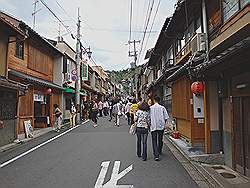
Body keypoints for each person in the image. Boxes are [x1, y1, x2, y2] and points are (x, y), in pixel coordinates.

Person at [149, 96, 169, 161]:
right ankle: (159, 151)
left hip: (153, 126)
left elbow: (149, 118)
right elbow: (166, 117)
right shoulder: (162, 108)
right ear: (159, 100)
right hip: (161, 126)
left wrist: (149, 124)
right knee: (160, 139)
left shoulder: (151, 108)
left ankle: (156, 155)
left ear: (154, 100)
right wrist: (163, 123)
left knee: (154, 140)